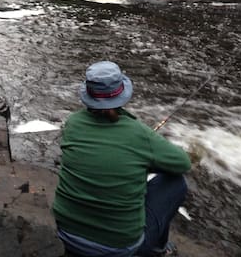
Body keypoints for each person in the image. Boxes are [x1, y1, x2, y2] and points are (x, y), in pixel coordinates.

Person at [52, 61, 191, 257]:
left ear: (88, 94)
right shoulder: (139, 133)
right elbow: (183, 163)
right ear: (122, 93)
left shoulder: (73, 123)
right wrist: (147, 151)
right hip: (118, 247)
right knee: (175, 183)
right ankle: (155, 250)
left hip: (67, 234)